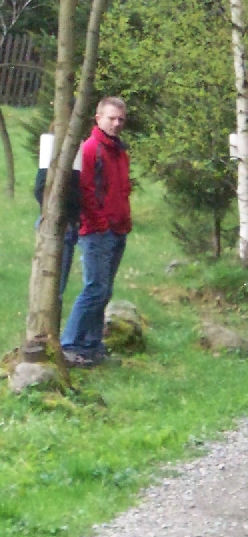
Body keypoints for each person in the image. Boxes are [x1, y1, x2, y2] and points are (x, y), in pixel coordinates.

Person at [60, 96, 131, 368]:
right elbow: (86, 191)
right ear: (98, 118)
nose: (116, 123)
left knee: (104, 290)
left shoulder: (119, 151)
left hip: (117, 229)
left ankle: (92, 344)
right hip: (97, 231)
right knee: (94, 288)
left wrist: (124, 222)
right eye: (112, 118)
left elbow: (121, 190)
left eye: (121, 119)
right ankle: (70, 344)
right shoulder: (91, 149)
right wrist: (99, 223)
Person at [34, 159, 82, 302]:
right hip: (59, 222)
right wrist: (62, 215)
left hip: (71, 222)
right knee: (52, 280)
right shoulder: (53, 150)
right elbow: (41, 189)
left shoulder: (78, 151)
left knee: (59, 279)